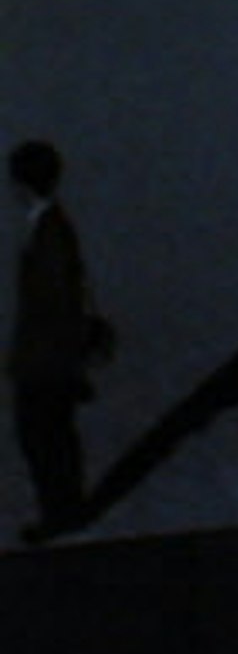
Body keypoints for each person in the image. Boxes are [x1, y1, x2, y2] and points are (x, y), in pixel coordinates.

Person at [11, 141, 108, 542]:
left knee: (43, 439)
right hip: (51, 357)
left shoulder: (48, 231)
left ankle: (60, 513)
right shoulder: (54, 225)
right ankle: (67, 509)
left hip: (45, 360)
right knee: (54, 437)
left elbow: (53, 303)